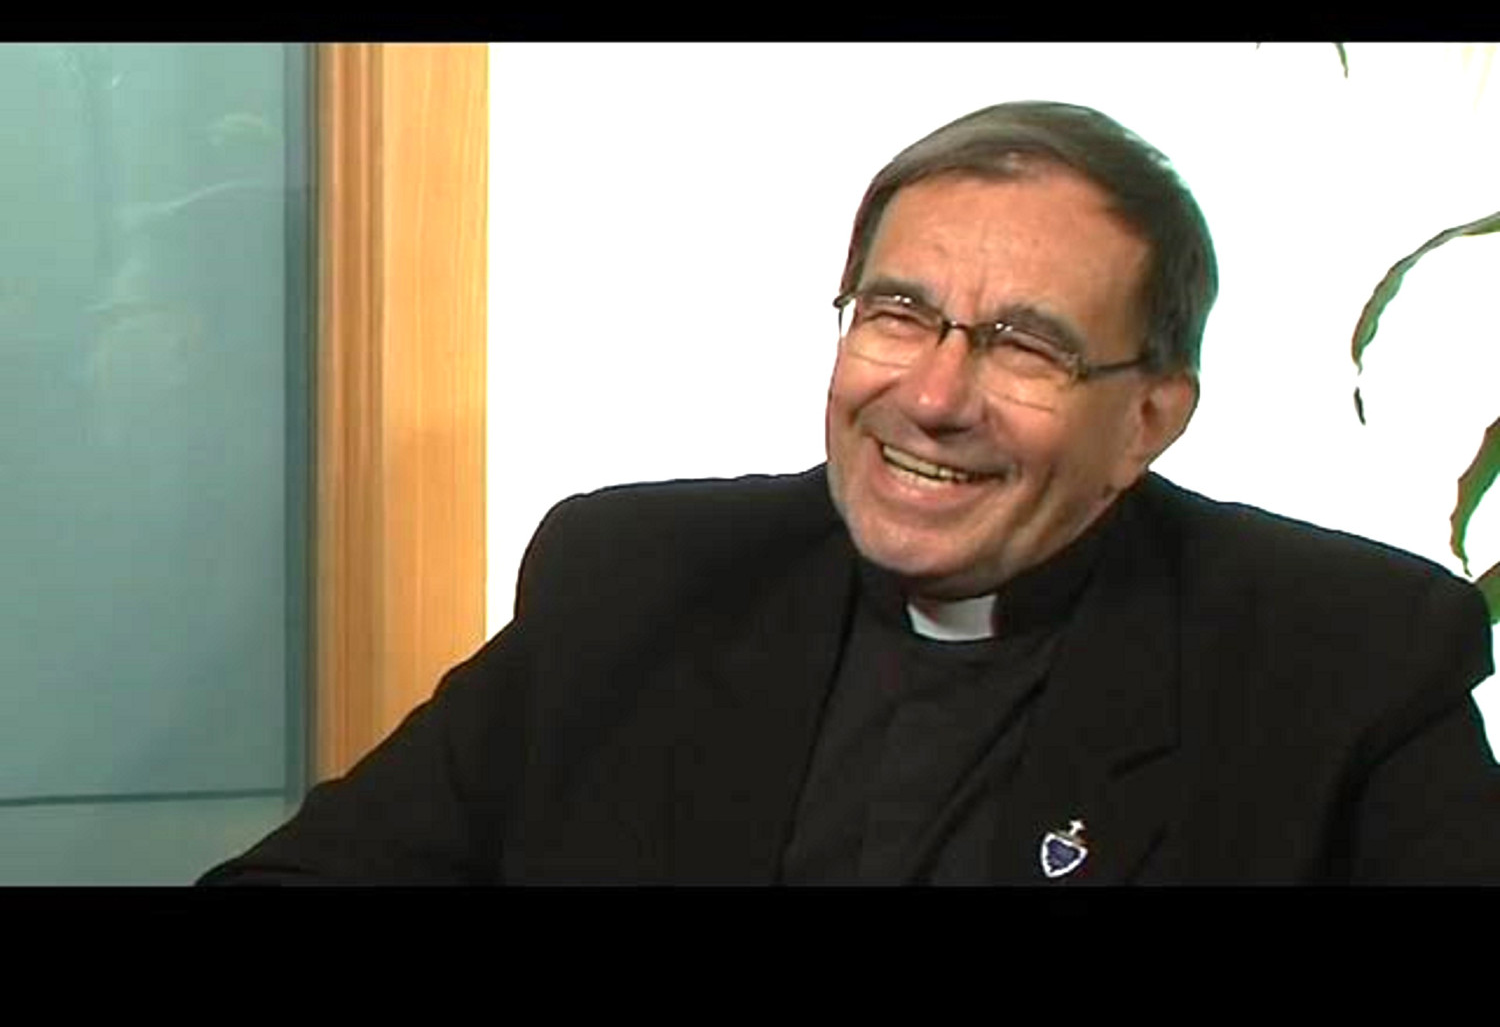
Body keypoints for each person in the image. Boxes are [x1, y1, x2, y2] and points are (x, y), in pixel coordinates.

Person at [202, 100, 1500, 885]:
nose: (933, 395)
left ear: (1149, 419)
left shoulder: (1344, 661)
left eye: (1026, 345)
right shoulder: (635, 578)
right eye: (898, 313)